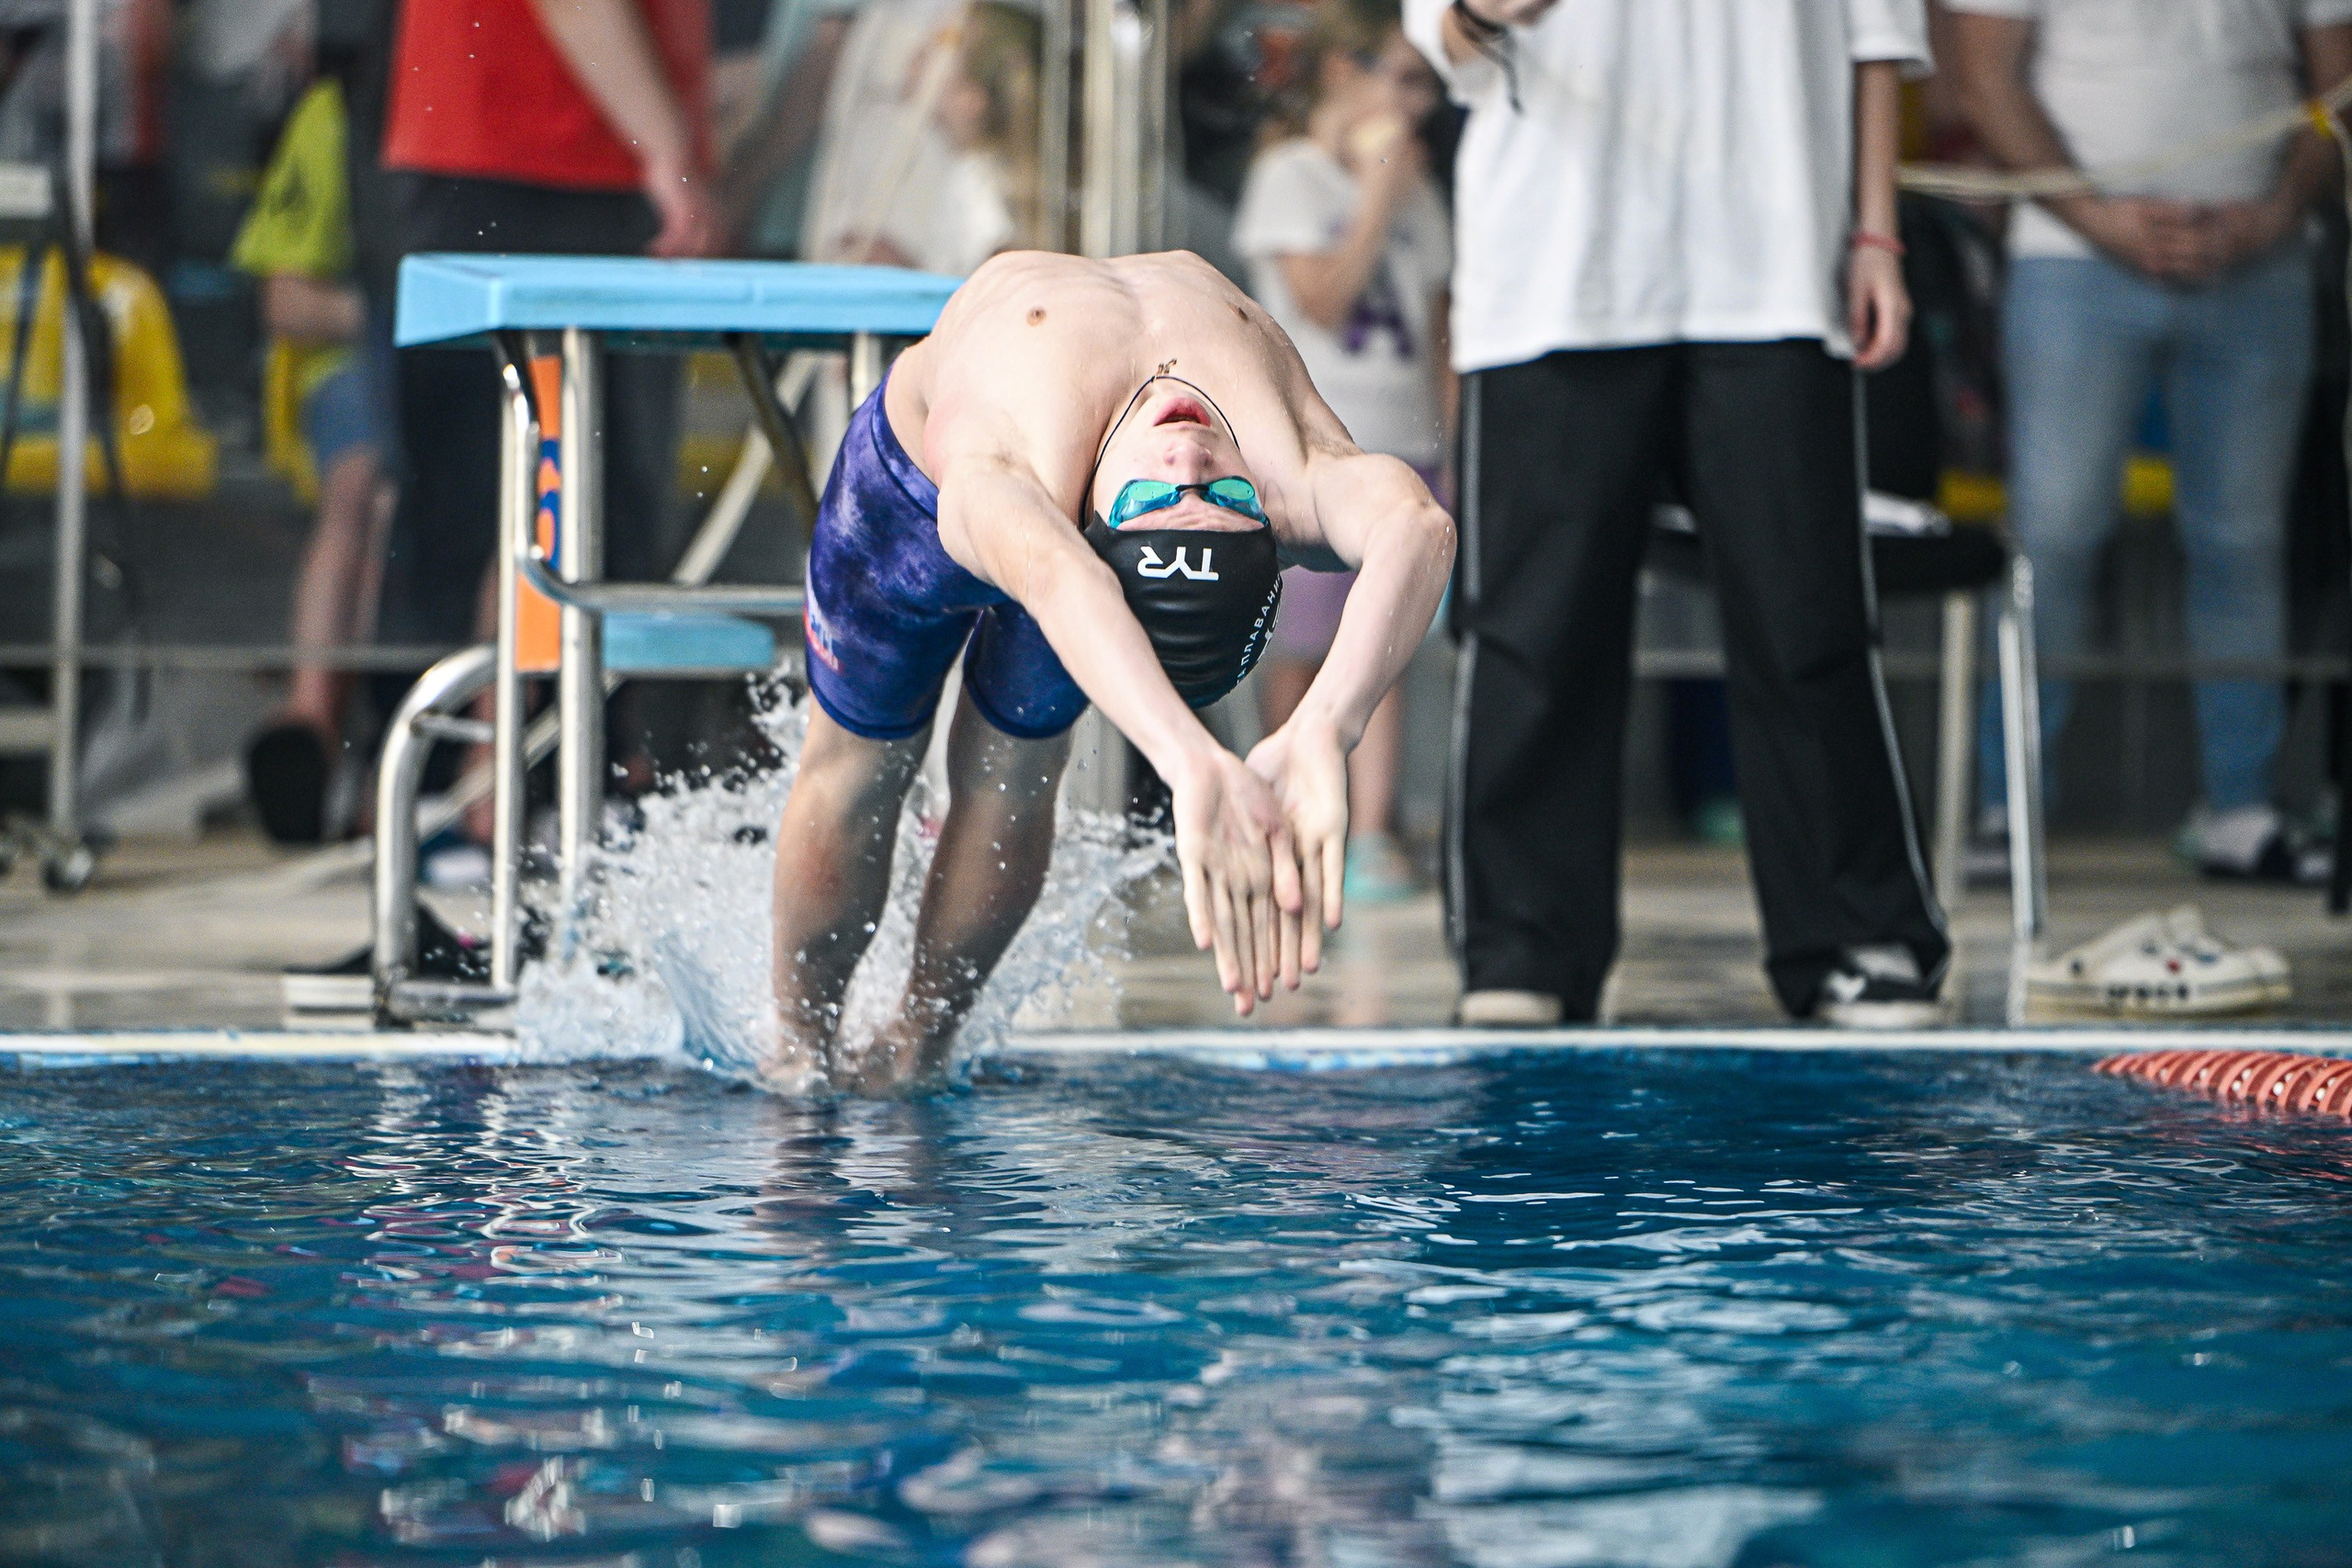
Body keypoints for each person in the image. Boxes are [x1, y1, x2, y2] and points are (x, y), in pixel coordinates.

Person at [768, 249, 1454, 1091]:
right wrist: (1321, 724)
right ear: (1273, 520)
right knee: (860, 773)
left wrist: (1205, 749)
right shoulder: (1289, 466)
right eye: (1227, 500)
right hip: (982, 529)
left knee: (984, 769)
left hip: (931, 500)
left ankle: (920, 1037)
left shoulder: (1013, 470)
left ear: (1094, 524)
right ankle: (803, 1042)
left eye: (1153, 505)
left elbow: (1063, 575)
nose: (1188, 463)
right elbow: (1417, 525)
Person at [1404, 0, 1950, 1027]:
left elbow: (1875, 39)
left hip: (1776, 267)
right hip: (1555, 275)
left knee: (1806, 617)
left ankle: (1854, 931)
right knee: (1535, 630)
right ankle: (1522, 948)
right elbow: (1441, 36)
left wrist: (1875, 232)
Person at [1944, 1, 2352, 880]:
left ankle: (2241, 808)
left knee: (2243, 540)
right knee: (2052, 535)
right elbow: (1984, 78)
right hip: (2072, 262)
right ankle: (2006, 809)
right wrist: (2100, 218)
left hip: (2260, 263)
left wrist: (2274, 212)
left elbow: (2341, 82)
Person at [1233, 0, 1450, 905]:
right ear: (1339, 76)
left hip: (1405, 443)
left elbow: (1440, 322)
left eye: (1422, 87)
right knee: (1297, 648)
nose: (1414, 105)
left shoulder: (1420, 183)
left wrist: (1455, 440)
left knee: (1383, 642)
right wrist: (1373, 200)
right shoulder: (1290, 174)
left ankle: (1369, 832)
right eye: (1396, 79)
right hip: (1314, 448)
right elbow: (1320, 299)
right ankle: (1282, 808)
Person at [232, 66, 392, 843]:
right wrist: (394, 314)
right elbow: (286, 302)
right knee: (367, 483)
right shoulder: (336, 116)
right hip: (353, 367)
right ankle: (314, 719)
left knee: (404, 498)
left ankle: (377, 745)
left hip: (459, 376)